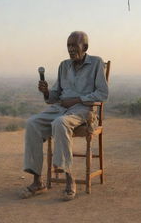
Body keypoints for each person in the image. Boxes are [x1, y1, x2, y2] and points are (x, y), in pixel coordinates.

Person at [20, 31, 108, 201]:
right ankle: (37, 182)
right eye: (68, 45)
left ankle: (69, 179)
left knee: (60, 123)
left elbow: (103, 93)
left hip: (84, 110)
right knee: (32, 123)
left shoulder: (96, 63)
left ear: (85, 47)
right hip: (60, 108)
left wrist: (77, 99)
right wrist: (46, 92)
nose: (71, 49)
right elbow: (54, 96)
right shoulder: (64, 65)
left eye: (74, 45)